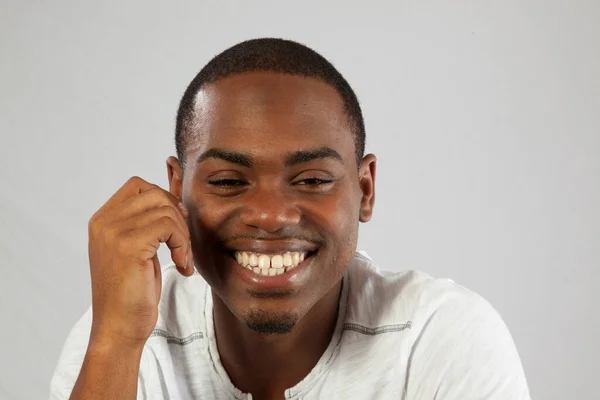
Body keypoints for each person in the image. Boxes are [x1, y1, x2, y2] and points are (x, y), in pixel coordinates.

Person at [50, 38, 530, 400]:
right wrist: (114, 343)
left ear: (365, 189)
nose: (270, 216)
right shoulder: (126, 334)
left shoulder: (440, 338)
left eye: (312, 180)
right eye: (228, 181)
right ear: (177, 191)